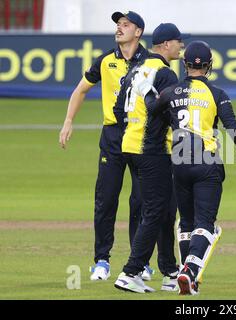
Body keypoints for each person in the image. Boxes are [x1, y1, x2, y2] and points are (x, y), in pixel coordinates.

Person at [136, 40, 236, 295]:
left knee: (186, 223)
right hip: (206, 163)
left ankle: (187, 276)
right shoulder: (216, 94)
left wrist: (146, 89)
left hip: (179, 163)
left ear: (185, 63)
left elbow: (151, 108)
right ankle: (190, 270)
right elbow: (232, 127)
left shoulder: (170, 92)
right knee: (206, 223)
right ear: (209, 65)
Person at [58, 11, 156, 281]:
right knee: (105, 199)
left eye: (126, 25)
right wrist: (68, 121)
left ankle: (141, 262)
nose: (119, 28)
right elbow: (80, 90)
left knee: (141, 201)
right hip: (112, 136)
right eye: (118, 24)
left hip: (141, 135)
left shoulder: (153, 62)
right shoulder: (105, 61)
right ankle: (101, 260)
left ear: (138, 32)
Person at [113, 23, 190, 293]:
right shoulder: (166, 74)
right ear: (166, 44)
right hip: (153, 150)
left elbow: (117, 107)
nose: (181, 46)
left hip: (131, 146)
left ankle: (169, 271)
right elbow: (173, 113)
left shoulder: (137, 68)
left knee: (167, 209)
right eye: (178, 42)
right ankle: (131, 271)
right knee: (156, 210)